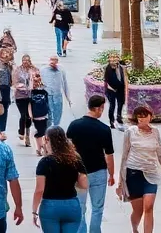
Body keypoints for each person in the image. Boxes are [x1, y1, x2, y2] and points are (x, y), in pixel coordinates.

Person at [117, 106, 161, 233]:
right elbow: (124, 156)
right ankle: (134, 228)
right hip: (133, 173)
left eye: (144, 115)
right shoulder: (130, 132)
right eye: (139, 116)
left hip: (151, 173)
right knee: (138, 210)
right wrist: (120, 181)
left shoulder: (155, 132)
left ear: (150, 116)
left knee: (149, 207)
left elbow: (160, 152)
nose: (141, 119)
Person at [67, 96, 115, 233]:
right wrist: (112, 174)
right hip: (99, 171)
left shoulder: (74, 125)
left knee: (80, 208)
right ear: (99, 108)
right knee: (97, 208)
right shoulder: (104, 129)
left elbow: (69, 148)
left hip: (79, 172)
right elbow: (109, 155)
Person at [33, 127, 87, 233]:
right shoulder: (75, 158)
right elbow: (84, 184)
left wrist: (34, 211)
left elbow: (39, 190)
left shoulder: (45, 162)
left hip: (50, 206)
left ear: (47, 139)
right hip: (71, 205)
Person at [14, 54, 38, 148]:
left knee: (29, 117)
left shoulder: (34, 69)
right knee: (23, 114)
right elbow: (14, 81)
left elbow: (38, 79)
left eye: (27, 60)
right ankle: (21, 131)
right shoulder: (17, 70)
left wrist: (35, 82)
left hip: (30, 95)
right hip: (20, 96)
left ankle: (27, 136)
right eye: (24, 60)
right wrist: (20, 86)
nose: (25, 62)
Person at [41, 56, 71, 129]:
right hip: (48, 95)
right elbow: (40, 83)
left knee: (57, 113)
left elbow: (64, 83)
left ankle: (55, 128)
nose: (53, 62)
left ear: (57, 61)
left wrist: (68, 98)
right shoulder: (43, 69)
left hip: (57, 95)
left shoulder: (61, 69)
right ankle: (47, 130)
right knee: (48, 114)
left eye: (55, 60)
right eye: (51, 60)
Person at [29, 72, 51, 155]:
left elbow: (47, 102)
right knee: (40, 132)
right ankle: (40, 148)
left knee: (43, 132)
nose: (36, 83)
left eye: (38, 80)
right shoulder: (30, 92)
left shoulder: (44, 91)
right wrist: (31, 116)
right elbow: (29, 105)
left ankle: (42, 148)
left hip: (44, 115)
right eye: (34, 81)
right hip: (36, 115)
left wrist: (48, 113)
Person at [103, 56, 127, 130]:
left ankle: (119, 117)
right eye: (111, 60)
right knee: (112, 105)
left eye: (115, 60)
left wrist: (125, 88)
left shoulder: (121, 67)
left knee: (120, 103)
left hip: (120, 89)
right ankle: (111, 121)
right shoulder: (107, 68)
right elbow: (106, 80)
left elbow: (125, 77)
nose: (113, 62)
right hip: (111, 90)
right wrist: (112, 88)